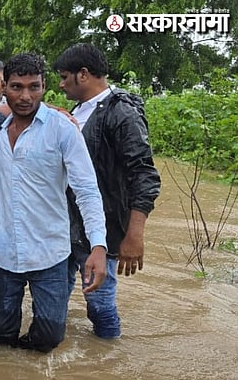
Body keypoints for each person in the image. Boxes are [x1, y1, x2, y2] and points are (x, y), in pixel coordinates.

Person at [0, 53, 107, 353]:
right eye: (16, 87)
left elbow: (87, 190)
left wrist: (98, 246)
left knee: (51, 335)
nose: (25, 96)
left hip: (49, 252)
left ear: (44, 87)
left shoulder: (63, 129)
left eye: (34, 87)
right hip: (1, 252)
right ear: (4, 87)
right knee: (1, 336)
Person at [53, 43, 161, 339]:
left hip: (102, 228)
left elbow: (144, 175)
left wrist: (134, 235)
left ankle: (108, 359)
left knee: (99, 304)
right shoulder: (78, 111)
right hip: (66, 225)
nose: (61, 84)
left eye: (65, 77)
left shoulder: (122, 114)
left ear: (83, 74)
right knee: (53, 303)